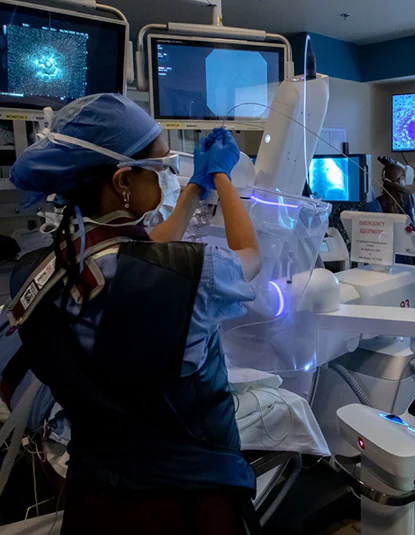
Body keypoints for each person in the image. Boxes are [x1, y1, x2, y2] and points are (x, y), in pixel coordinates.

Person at [6, 94, 262, 534]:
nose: (165, 178)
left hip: (97, 494)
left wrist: (192, 187)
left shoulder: (36, 275)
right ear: (123, 179)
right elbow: (250, 256)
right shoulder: (195, 275)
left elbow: (140, 251)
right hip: (189, 501)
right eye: (159, 169)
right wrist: (222, 176)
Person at [366, 162, 415, 267]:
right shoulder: (411, 199)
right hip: (414, 253)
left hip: (390, 256)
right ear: (401, 180)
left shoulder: (377, 204)